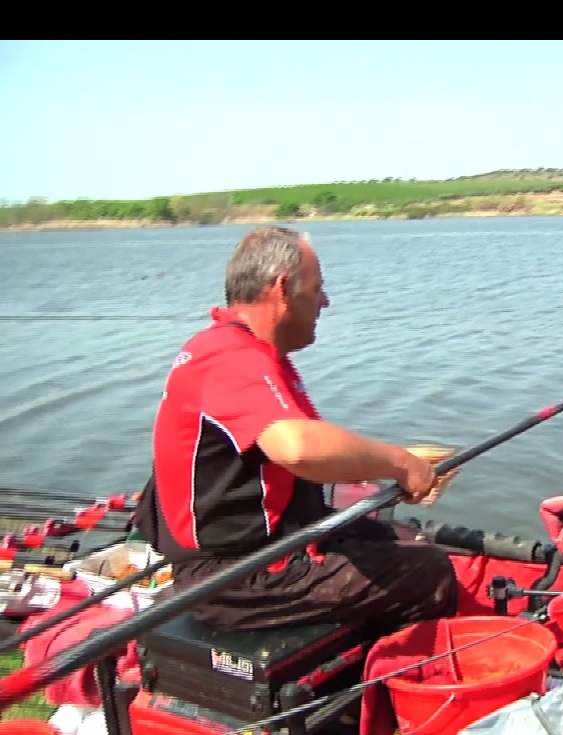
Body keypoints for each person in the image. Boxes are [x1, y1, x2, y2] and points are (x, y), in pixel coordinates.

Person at [133, 225, 461, 635]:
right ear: (283, 288)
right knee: (428, 572)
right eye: (317, 287)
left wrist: (405, 463)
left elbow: (307, 455)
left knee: (409, 542)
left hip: (271, 543)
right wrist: (397, 463)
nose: (325, 300)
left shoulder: (250, 355)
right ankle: (391, 685)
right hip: (234, 575)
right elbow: (299, 449)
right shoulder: (228, 358)